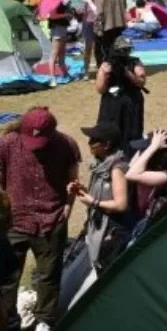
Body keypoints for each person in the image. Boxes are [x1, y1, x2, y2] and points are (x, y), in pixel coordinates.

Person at [0, 108, 81, 331]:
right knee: (7, 278)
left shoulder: (67, 145)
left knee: (48, 276)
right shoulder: (7, 143)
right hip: (15, 222)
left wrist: (67, 208)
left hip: (51, 221)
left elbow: (73, 180)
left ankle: (44, 321)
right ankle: (9, 319)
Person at [69, 122, 135, 279]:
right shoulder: (101, 164)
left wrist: (93, 202)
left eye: (94, 140)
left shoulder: (117, 168)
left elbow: (121, 204)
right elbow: (103, 194)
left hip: (113, 231)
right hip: (101, 226)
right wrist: (82, 190)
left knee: (109, 274)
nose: (89, 143)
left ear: (107, 145)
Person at [125, 130, 167, 228]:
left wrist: (153, 147)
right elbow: (131, 167)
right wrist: (151, 146)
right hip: (151, 221)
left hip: (166, 226)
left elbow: (131, 175)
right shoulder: (163, 167)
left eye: (143, 151)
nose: (141, 154)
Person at [95, 37, 146, 153]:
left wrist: (128, 73)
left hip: (131, 102)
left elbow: (141, 82)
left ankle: (132, 153)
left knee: (132, 130)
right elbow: (100, 89)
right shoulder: (107, 65)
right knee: (110, 130)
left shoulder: (135, 63)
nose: (124, 53)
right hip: (112, 103)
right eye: (122, 50)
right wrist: (106, 75)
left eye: (127, 50)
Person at [93, 0, 127, 64]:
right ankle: (118, 66)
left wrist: (97, 29)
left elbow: (99, 12)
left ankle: (109, 68)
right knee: (117, 47)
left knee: (106, 49)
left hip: (107, 25)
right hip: (120, 24)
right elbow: (125, 6)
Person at [45, 0, 73, 87]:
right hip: (57, 29)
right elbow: (53, 16)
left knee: (61, 53)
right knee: (54, 53)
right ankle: (52, 78)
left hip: (62, 29)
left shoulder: (60, 1)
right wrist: (66, 15)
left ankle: (65, 74)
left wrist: (68, 14)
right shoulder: (53, 2)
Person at [81, 0, 99, 77]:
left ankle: (99, 69)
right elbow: (84, 16)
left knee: (98, 49)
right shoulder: (86, 2)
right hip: (88, 27)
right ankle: (86, 71)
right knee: (87, 49)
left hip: (98, 27)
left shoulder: (100, 2)